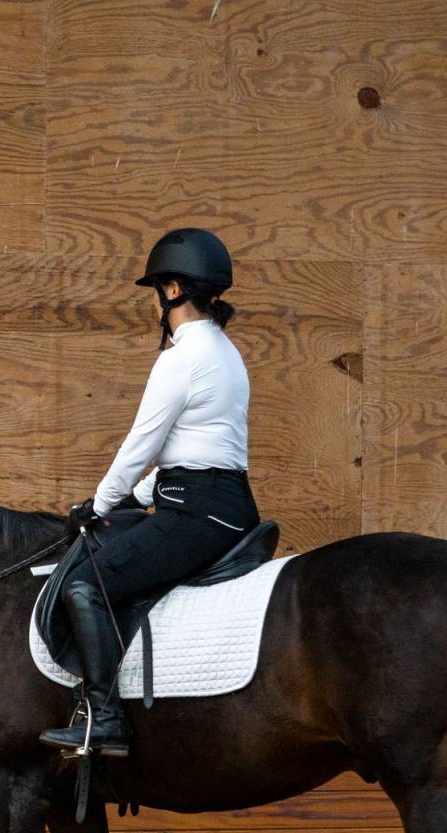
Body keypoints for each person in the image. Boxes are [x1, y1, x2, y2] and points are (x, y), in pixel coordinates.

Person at [40, 227, 261, 758]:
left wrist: (97, 505)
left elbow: (142, 443)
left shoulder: (181, 358)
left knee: (86, 585)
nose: (154, 303)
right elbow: (194, 448)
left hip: (196, 513)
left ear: (172, 289)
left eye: (156, 290)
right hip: (227, 503)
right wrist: (137, 498)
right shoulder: (226, 352)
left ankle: (105, 719)